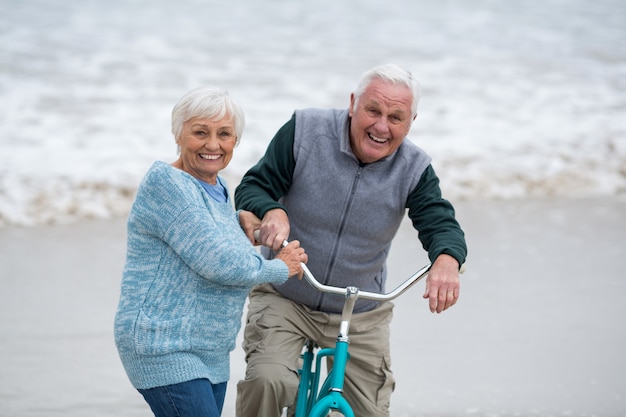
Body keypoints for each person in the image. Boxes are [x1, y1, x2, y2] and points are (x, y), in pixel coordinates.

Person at [234, 64, 468, 417]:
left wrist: (447, 259)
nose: (381, 126)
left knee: (371, 412)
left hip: (359, 311)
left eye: (396, 117)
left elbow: (439, 222)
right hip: (287, 295)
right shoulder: (305, 130)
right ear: (353, 103)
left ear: (411, 121)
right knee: (268, 381)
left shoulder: (414, 167)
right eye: (373, 110)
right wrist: (272, 211)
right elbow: (254, 186)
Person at [113, 87, 308, 417]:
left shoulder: (218, 189)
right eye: (200, 132)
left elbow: (204, 238)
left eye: (225, 134)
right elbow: (221, 263)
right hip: (164, 345)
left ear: (236, 140)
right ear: (179, 133)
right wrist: (281, 267)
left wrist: (239, 222)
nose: (213, 145)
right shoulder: (167, 184)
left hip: (208, 351)